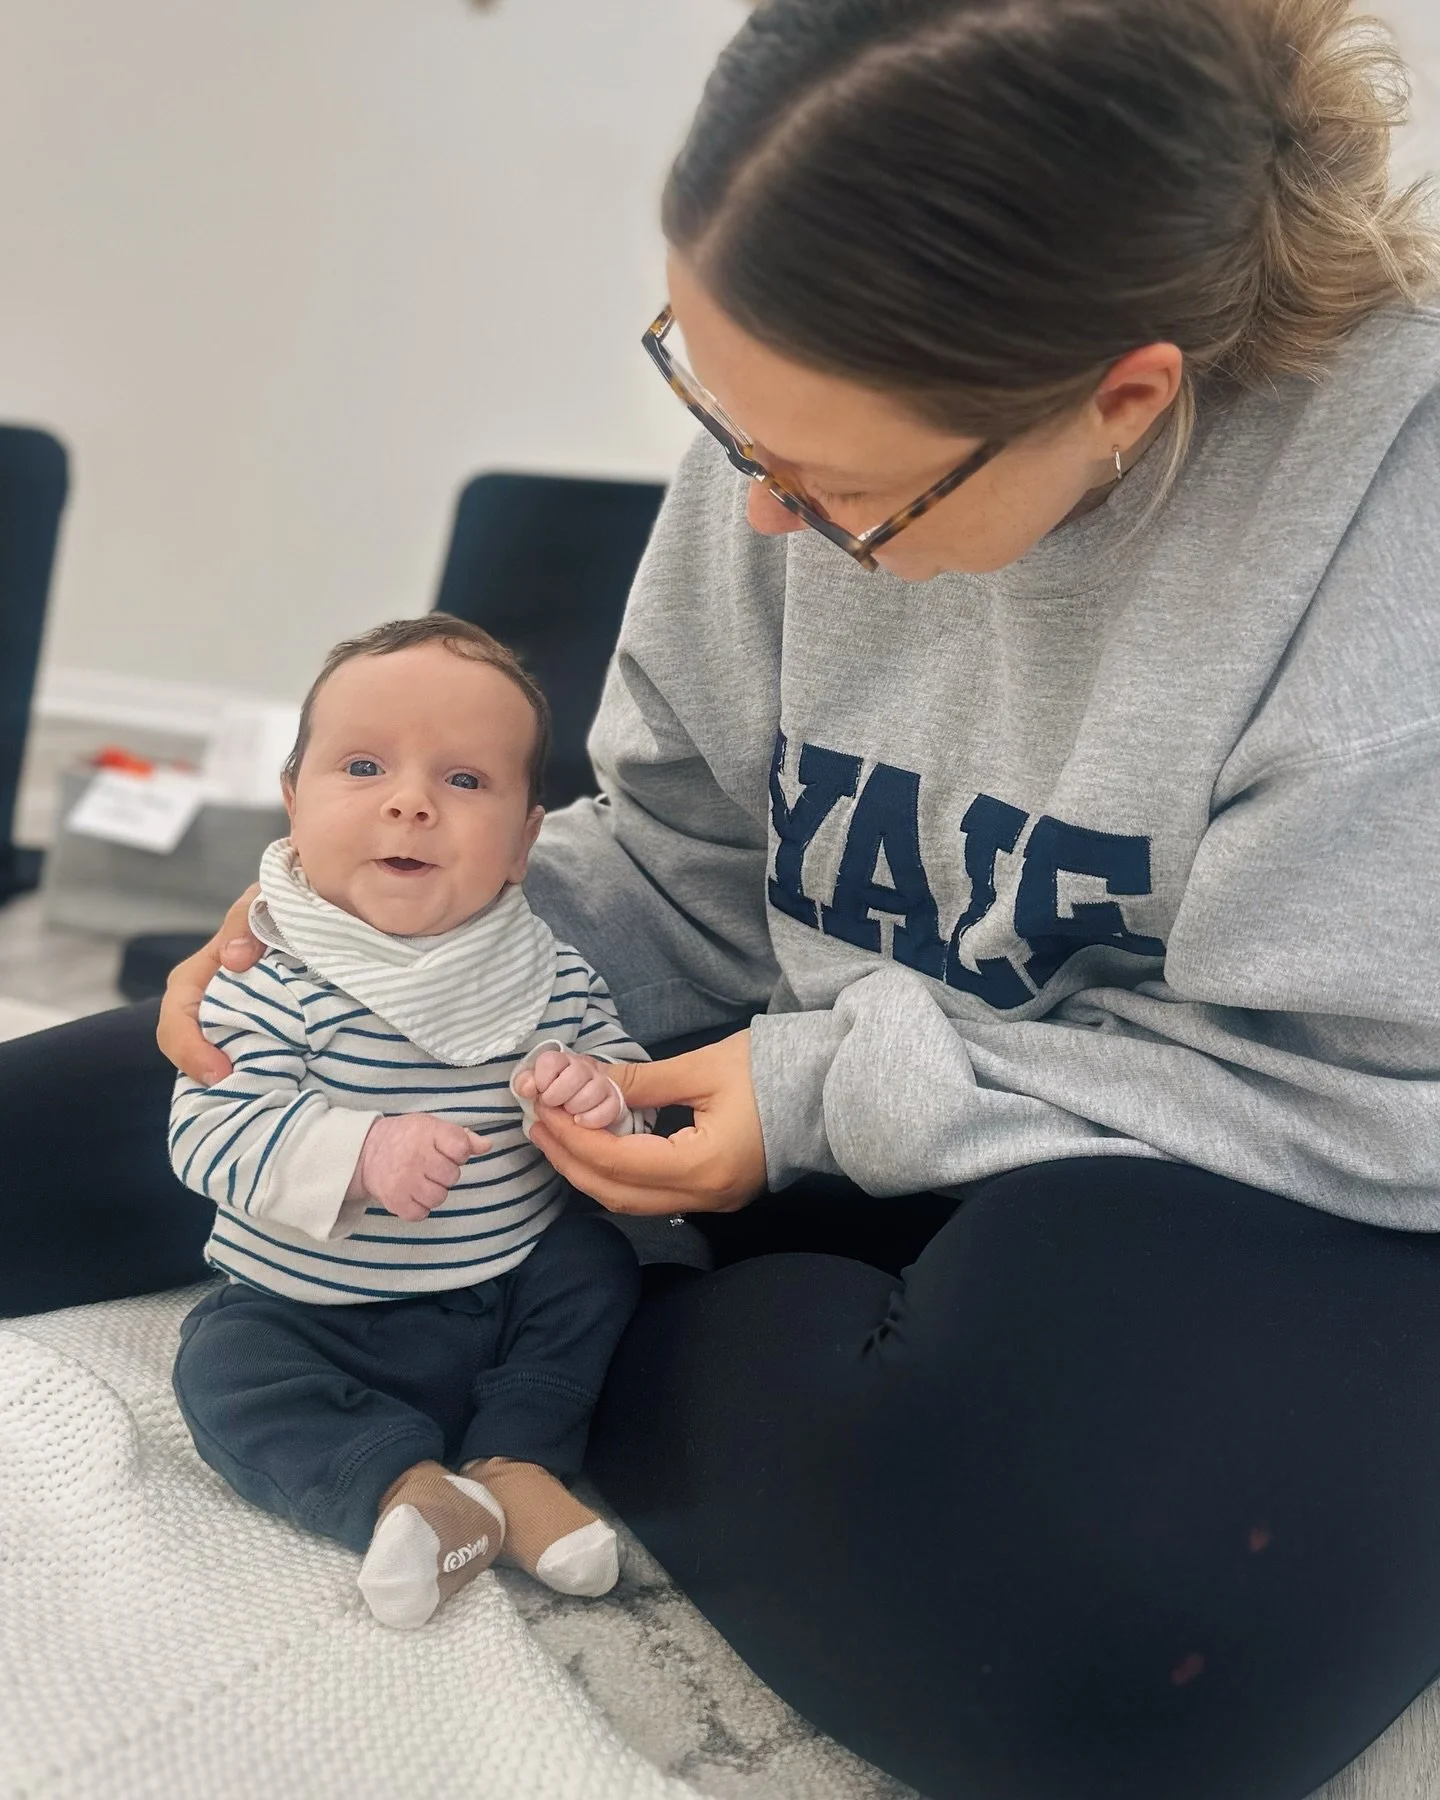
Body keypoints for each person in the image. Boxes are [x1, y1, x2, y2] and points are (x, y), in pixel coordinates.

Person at [2, 0, 1437, 1792]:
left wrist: (820, 1096)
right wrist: (364, 954)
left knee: (1135, 1676)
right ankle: (568, 1301)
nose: (758, 519)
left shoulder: (1395, 552)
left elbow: (1368, 1095)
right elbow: (680, 855)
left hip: (1228, 1156)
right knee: (98, 1103)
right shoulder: (780, 446)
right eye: (714, 405)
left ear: (1123, 395)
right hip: (774, 1075)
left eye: (835, 491)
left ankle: (584, 1307)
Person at [168, 616, 650, 1625]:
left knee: (595, 1265)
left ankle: (515, 1461)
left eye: (465, 782)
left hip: (503, 1292)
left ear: (526, 843)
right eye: (361, 765)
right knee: (220, 1364)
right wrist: (359, 1152)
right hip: (311, 1314)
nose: (409, 803)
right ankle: (405, 1495)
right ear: (292, 802)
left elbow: (626, 1077)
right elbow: (209, 1131)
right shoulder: (270, 975)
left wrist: (598, 1092)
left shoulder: (545, 971)